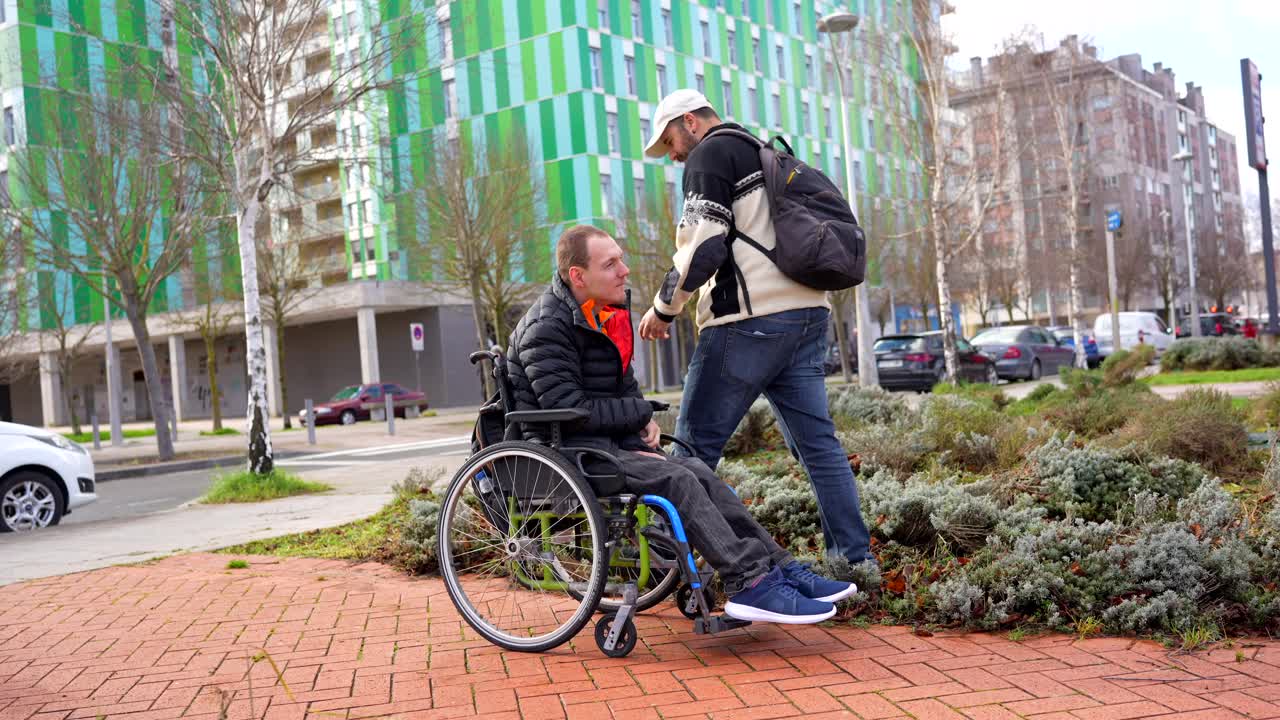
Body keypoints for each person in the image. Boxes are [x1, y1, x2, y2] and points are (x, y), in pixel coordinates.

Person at [506, 224, 857, 624]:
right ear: (578, 276)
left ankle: (779, 568)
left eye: (621, 259)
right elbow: (568, 410)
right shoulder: (546, 329)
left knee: (693, 468)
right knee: (678, 479)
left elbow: (621, 389)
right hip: (565, 454)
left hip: (603, 444)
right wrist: (639, 416)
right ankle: (749, 581)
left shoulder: (602, 313)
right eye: (611, 264)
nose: (625, 271)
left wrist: (638, 421)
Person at [635, 88, 875, 567]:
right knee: (818, 448)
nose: (673, 154)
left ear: (690, 121)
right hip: (809, 314)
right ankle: (854, 560)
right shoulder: (765, 153)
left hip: (748, 322)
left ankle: (671, 565)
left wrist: (664, 308)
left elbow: (704, 246)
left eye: (670, 141)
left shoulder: (709, 154)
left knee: (690, 449)